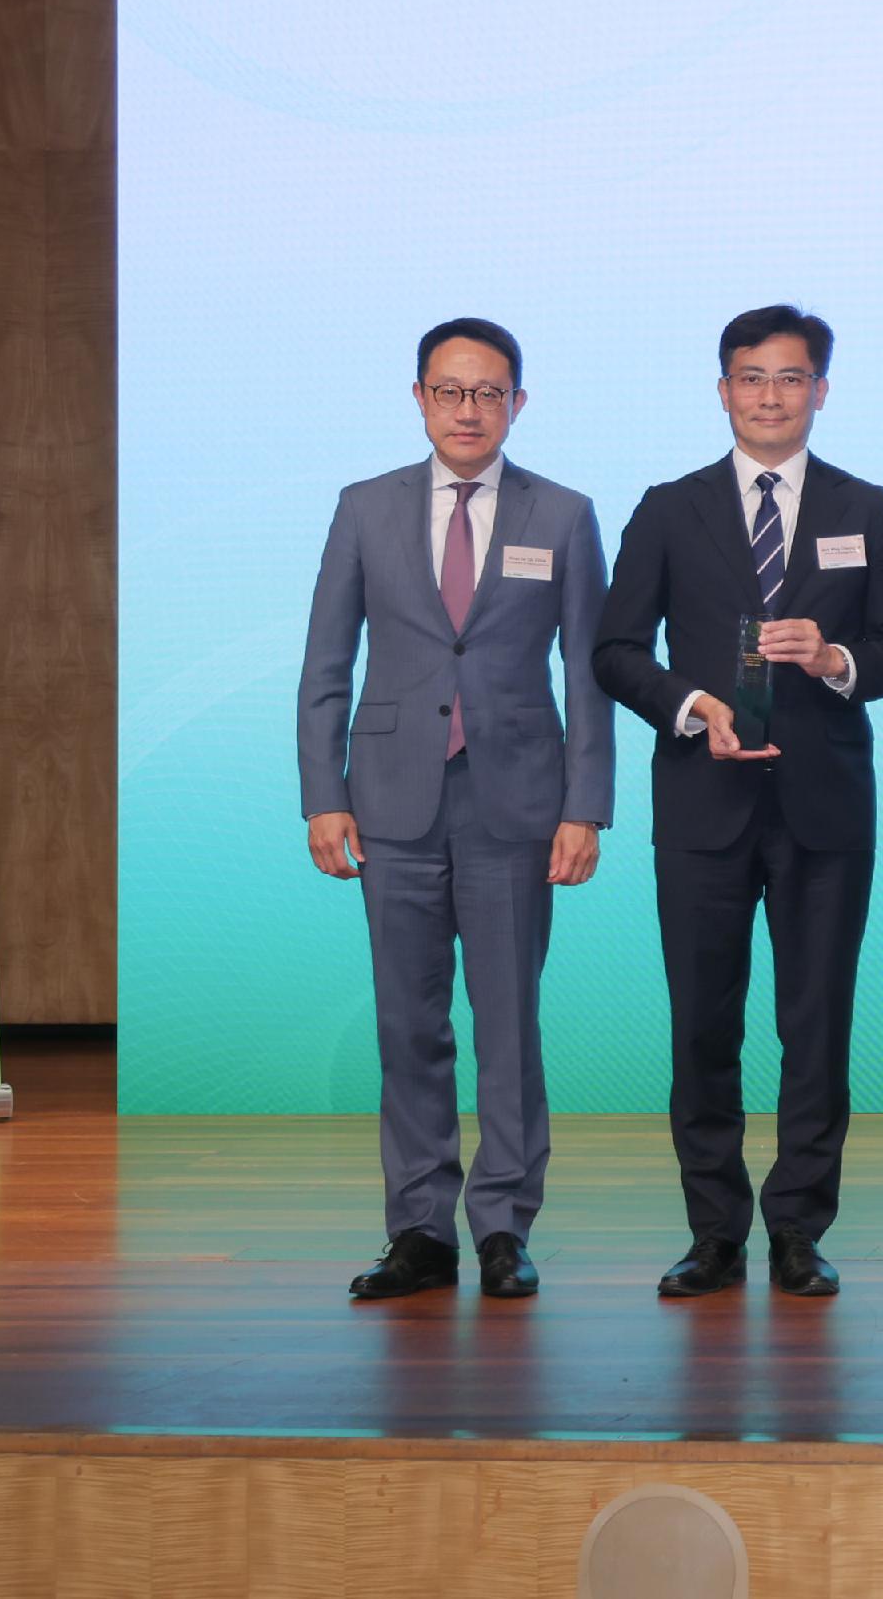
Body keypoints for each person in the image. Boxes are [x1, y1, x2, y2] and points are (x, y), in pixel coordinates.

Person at [594, 304, 883, 1300]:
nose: (770, 396)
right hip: (704, 802)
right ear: (723, 388)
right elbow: (612, 649)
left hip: (825, 809)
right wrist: (689, 705)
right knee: (704, 1025)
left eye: (790, 378)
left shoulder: (866, 508)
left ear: (821, 388)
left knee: (816, 1026)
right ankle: (713, 1231)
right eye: (751, 377)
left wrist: (837, 659)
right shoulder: (667, 506)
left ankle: (797, 1230)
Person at [298, 318, 612, 1302]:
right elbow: (324, 665)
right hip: (390, 802)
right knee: (407, 1024)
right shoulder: (364, 509)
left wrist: (585, 807)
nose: (468, 409)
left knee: (508, 1023)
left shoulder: (561, 514)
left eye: (488, 393)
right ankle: (419, 1230)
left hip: (517, 803)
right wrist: (322, 797)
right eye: (449, 391)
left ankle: (505, 1227)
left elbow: (589, 674)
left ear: (517, 403)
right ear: (420, 398)